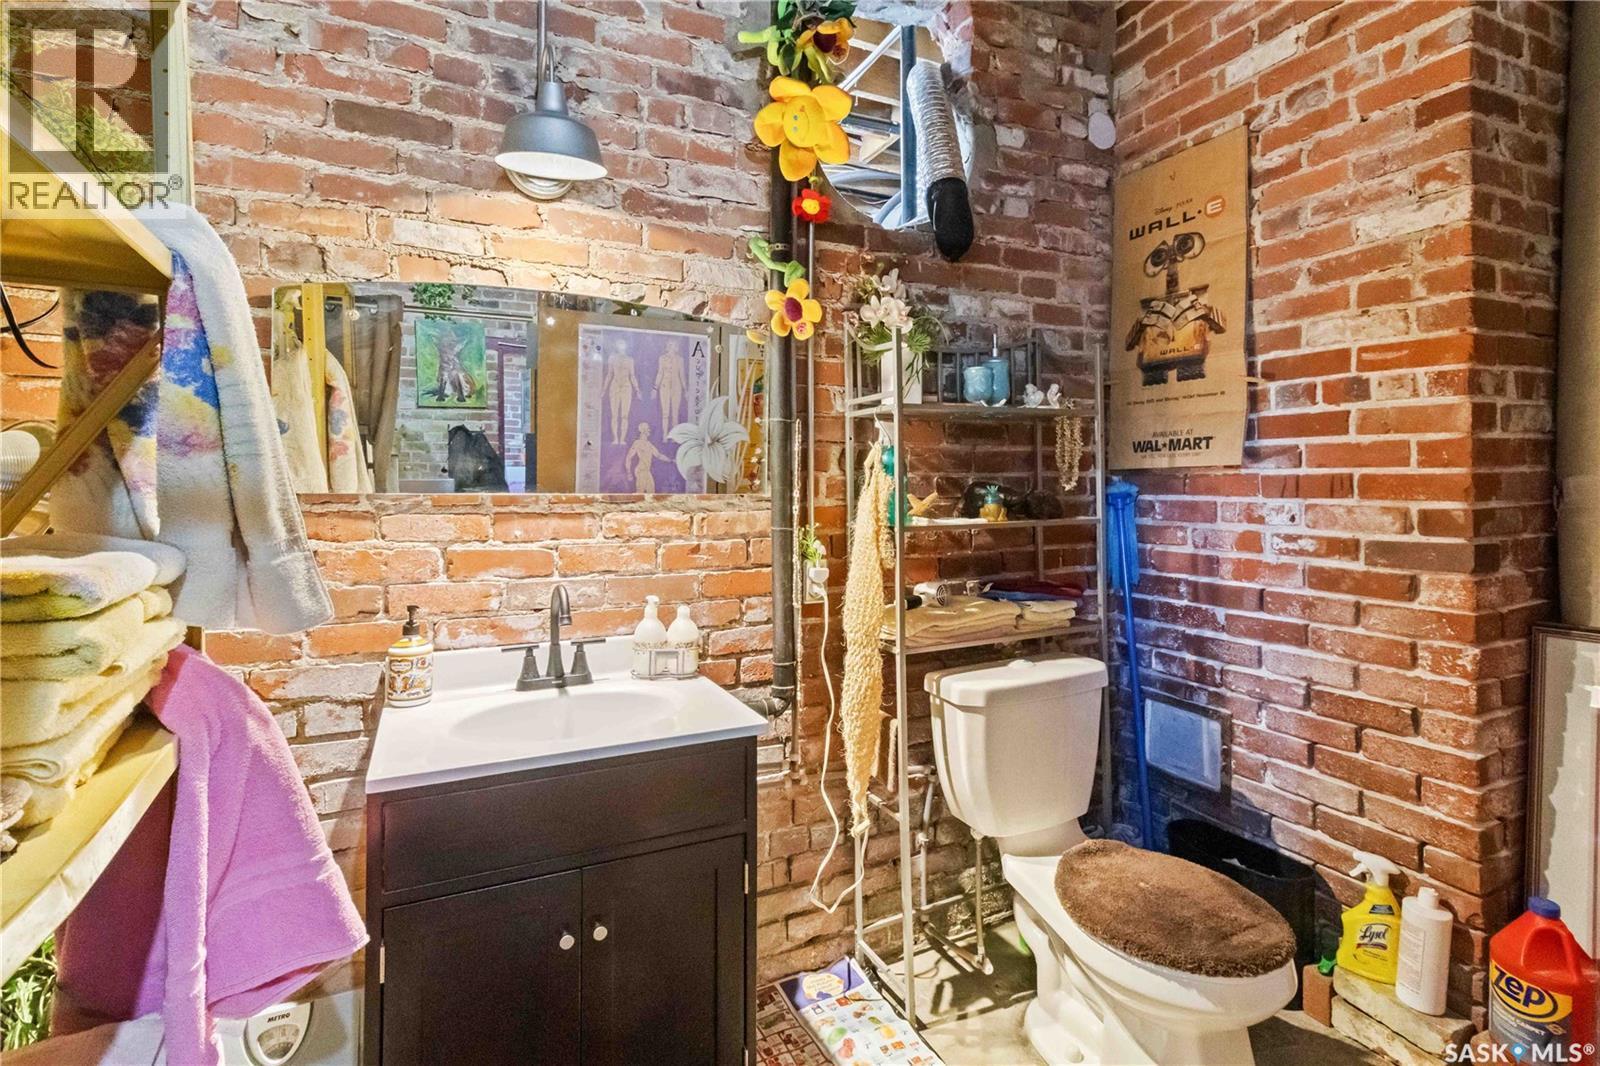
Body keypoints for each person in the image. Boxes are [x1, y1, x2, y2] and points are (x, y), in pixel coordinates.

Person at [601, 340, 641, 445]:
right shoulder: (612, 358)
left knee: (624, 415)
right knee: (614, 415)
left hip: (627, 387)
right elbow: (609, 374)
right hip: (614, 386)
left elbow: (632, 375)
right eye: (619, 343)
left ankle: (622, 439)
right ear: (616, 345)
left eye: (623, 343)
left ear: (626, 345)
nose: (621, 345)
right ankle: (615, 438)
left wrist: (637, 389)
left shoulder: (630, 360)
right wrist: (604, 390)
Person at [624, 421, 668, 493]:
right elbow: (628, 458)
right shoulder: (637, 443)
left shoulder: (649, 444)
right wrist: (629, 473)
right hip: (641, 471)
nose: (649, 430)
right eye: (648, 429)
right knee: (640, 493)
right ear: (643, 431)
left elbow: (659, 455)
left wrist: (671, 460)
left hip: (647, 472)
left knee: (651, 493)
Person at [654, 339, 687, 430]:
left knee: (675, 413)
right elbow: (660, 373)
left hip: (677, 387)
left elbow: (682, 375)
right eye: (670, 344)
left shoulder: (680, 359)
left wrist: (685, 390)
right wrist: (655, 388)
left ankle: (673, 436)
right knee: (665, 413)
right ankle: (665, 435)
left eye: (674, 344)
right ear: (667, 345)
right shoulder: (662, 358)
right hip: (664, 386)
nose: (672, 346)